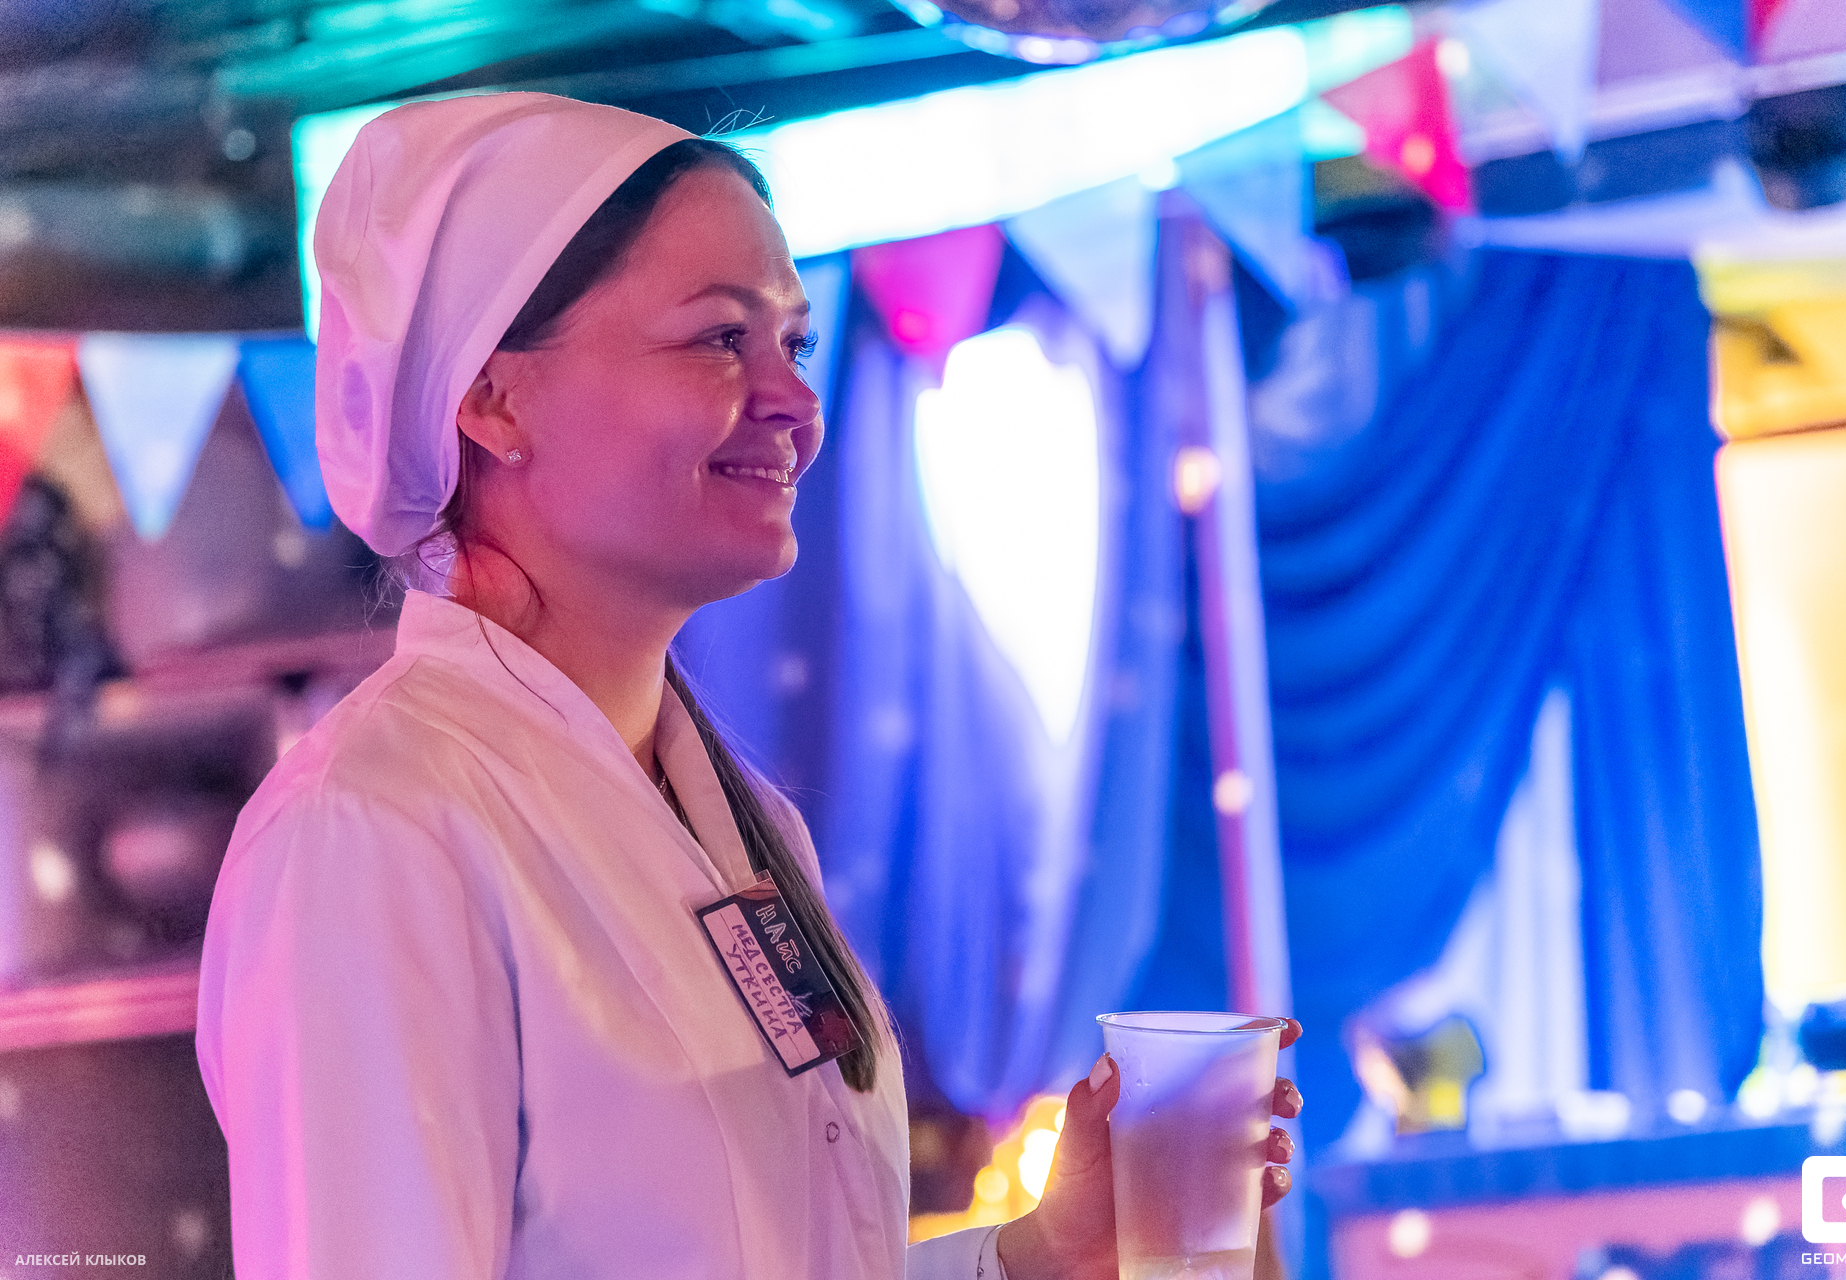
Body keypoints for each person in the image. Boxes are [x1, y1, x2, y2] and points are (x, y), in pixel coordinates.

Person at [193, 92, 1303, 1279]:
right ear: (493, 399)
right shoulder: (374, 828)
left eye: (797, 345)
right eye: (721, 338)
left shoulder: (738, 817)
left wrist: (1037, 1253)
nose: (797, 403)